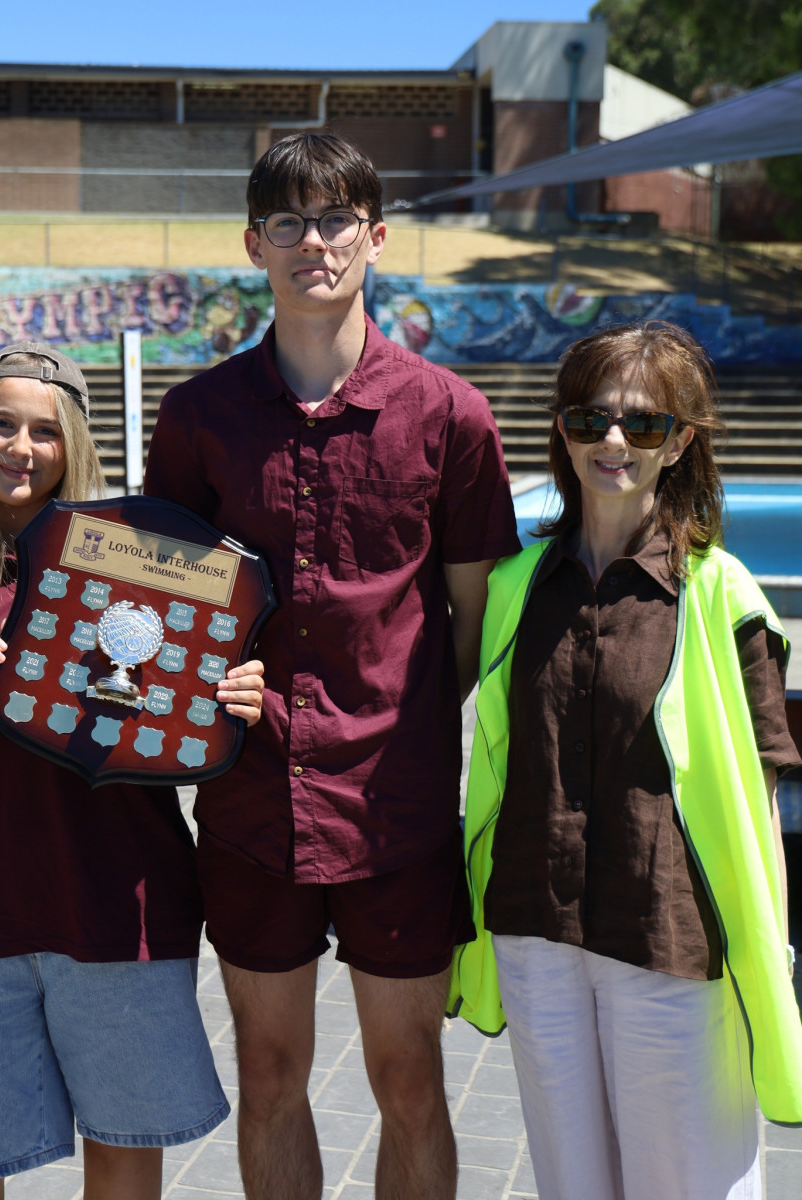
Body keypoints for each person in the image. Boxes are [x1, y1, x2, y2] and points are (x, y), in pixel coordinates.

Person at [142, 132, 520, 1200]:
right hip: (251, 804)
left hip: (396, 811)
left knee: (411, 1081)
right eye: (289, 222)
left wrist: (391, 716)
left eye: (336, 219)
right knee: (269, 1076)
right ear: (253, 243)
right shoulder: (199, 417)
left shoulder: (449, 415)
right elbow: (173, 608)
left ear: (377, 237)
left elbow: (469, 622)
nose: (314, 242)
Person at [0, 341, 264, 1199]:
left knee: (123, 1154)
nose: (22, 447)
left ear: (74, 443)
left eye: (45, 431)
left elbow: (179, 717)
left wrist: (223, 700)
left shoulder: (140, 559)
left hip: (123, 904)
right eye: (1, 424)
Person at [454, 321, 802, 1199]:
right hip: (536, 930)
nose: (613, 440)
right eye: (590, 418)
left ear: (679, 443)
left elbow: (759, 797)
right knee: (571, 1184)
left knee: (690, 1184)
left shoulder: (722, 593)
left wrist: (771, 951)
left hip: (669, 938)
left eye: (644, 423)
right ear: (562, 431)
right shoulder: (514, 587)